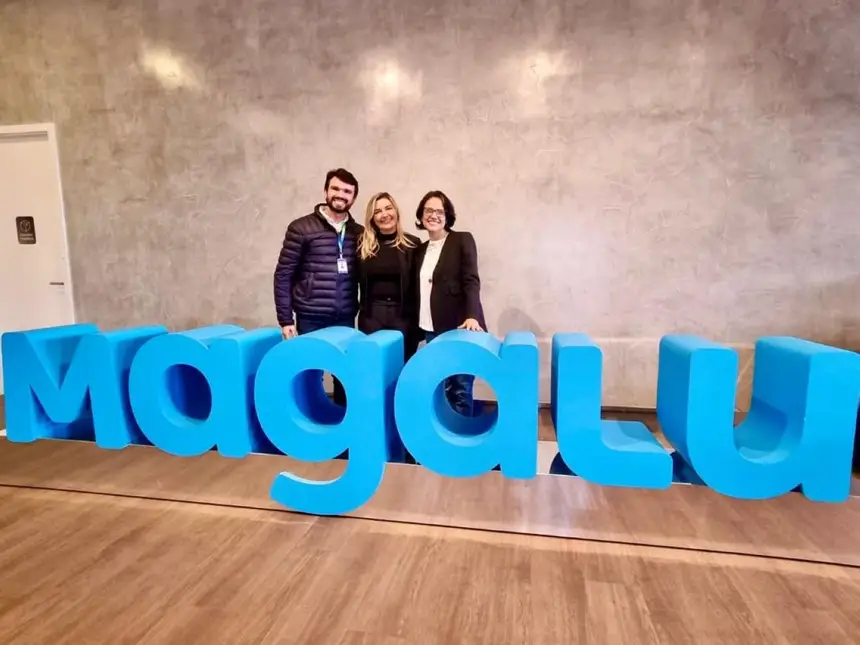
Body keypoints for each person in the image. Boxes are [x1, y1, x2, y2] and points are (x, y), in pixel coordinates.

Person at [273, 168, 363, 407]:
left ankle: (343, 422)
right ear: (325, 191)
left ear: (354, 198)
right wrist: (285, 319)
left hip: (344, 317)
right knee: (308, 374)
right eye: (335, 188)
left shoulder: (359, 233)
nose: (340, 195)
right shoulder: (301, 228)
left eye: (347, 191)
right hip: (309, 317)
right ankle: (308, 422)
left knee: (344, 376)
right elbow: (283, 275)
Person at [413, 190, 487, 416]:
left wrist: (472, 315)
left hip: (460, 326)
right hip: (431, 329)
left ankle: (462, 435)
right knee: (441, 386)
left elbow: (471, 280)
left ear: (447, 216)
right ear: (421, 215)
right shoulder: (420, 250)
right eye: (428, 210)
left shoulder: (461, 240)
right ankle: (445, 433)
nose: (433, 215)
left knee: (460, 388)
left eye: (439, 211)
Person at [356, 192, 421, 359]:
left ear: (396, 211)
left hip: (403, 316)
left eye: (388, 208)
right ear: (372, 218)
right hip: (372, 316)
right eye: (377, 212)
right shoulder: (362, 245)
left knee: (402, 365)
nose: (384, 214)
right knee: (373, 365)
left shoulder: (413, 244)